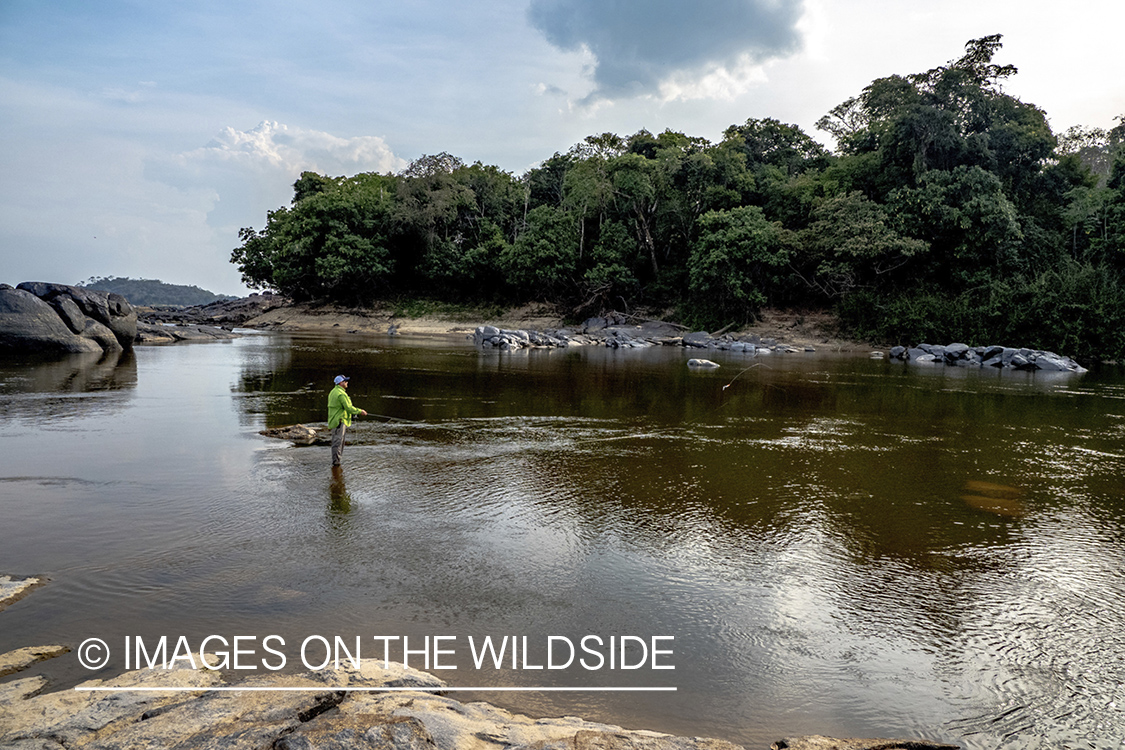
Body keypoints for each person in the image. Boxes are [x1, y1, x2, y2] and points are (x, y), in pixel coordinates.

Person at [327, 375, 367, 466]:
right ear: (341, 383)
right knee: (338, 442)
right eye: (345, 381)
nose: (347, 382)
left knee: (337, 442)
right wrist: (360, 411)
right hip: (340, 421)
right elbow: (348, 408)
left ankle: (336, 463)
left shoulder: (333, 392)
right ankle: (336, 463)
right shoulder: (341, 394)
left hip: (335, 420)